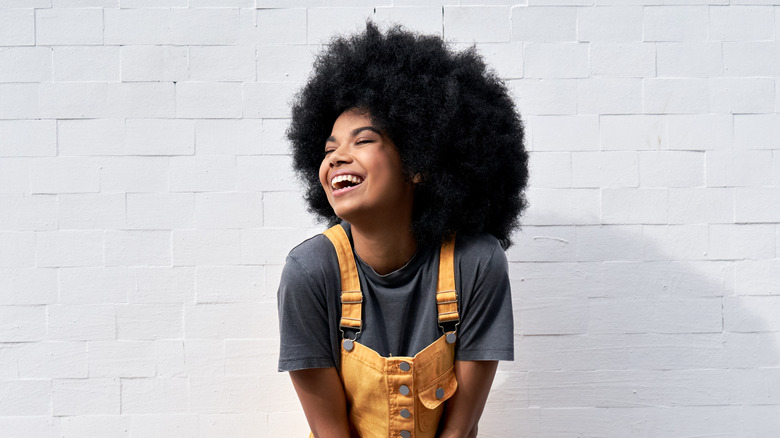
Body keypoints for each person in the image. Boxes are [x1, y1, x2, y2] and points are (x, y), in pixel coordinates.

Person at [277, 22, 528, 438]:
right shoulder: (309, 272)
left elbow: (460, 430)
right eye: (328, 149)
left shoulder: (476, 264)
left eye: (362, 141)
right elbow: (329, 433)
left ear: (417, 163)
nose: (336, 157)